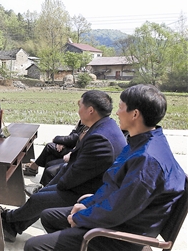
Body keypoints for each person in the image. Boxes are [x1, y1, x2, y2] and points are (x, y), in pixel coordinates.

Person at [25, 84, 186, 251]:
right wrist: (88, 204)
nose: (117, 113)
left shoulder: (146, 160)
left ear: (135, 114)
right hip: (118, 217)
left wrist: (82, 217)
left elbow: (119, 210)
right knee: (49, 216)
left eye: (121, 107)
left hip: (123, 234)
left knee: (34, 246)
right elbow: (114, 187)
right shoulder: (145, 141)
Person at [1, 90, 127, 243]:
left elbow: (73, 176)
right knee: (42, 194)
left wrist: (56, 184)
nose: (78, 109)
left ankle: (8, 220)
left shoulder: (100, 138)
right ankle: (12, 225)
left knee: (41, 199)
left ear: (90, 110)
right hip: (87, 184)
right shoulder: (106, 126)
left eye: (80, 105)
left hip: (91, 194)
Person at [23, 120, 86, 184]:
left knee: (49, 146)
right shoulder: (82, 121)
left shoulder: (90, 125)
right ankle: (42, 186)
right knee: (50, 158)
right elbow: (73, 134)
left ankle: (34, 167)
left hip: (75, 153)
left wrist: (57, 139)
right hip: (72, 148)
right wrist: (63, 143)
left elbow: (74, 138)